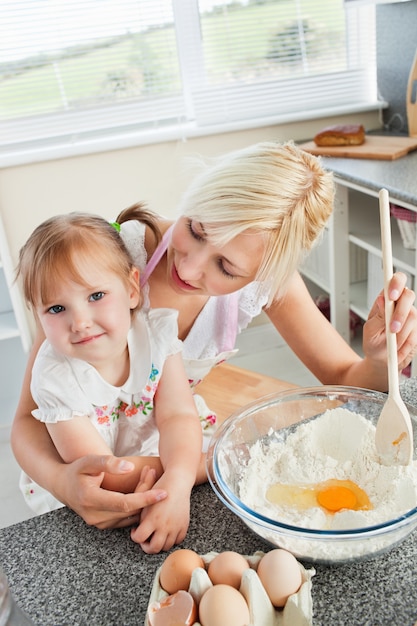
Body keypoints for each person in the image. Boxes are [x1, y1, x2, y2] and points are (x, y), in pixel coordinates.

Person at [12, 141, 417, 531]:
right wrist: (63, 480)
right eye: (196, 229)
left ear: (265, 275)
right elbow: (26, 422)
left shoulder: (269, 281)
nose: (187, 270)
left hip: (173, 454)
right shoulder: (106, 262)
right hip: (88, 465)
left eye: (226, 267)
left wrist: (381, 359)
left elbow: (346, 380)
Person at [15, 212, 203, 554]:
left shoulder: (156, 334)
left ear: (132, 289)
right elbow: (109, 478)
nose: (81, 322)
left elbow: (178, 416)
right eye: (57, 308)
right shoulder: (56, 375)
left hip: (153, 453)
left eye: (96, 296)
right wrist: (193, 467)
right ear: (38, 316)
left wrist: (178, 479)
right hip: (97, 488)